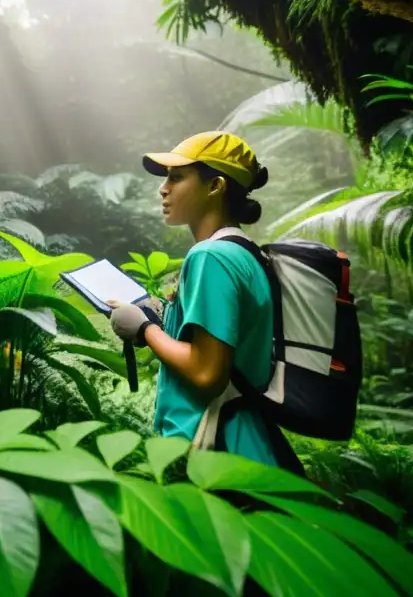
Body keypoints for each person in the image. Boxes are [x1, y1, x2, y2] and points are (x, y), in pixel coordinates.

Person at [106, 131, 286, 466]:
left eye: (176, 177)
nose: (163, 188)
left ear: (215, 186)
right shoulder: (246, 254)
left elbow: (207, 372)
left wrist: (144, 329)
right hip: (245, 440)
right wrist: (164, 319)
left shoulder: (210, 257)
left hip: (215, 451)